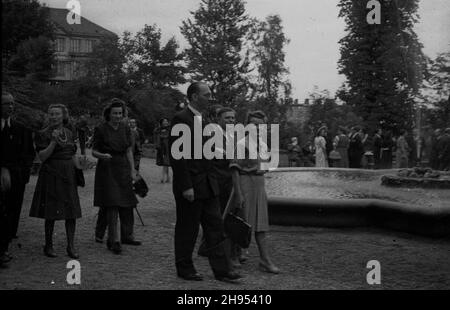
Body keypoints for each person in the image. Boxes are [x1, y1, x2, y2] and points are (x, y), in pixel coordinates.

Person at [169, 82, 241, 283]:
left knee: (215, 227)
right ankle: (184, 268)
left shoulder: (205, 119)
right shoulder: (180, 119)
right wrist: (186, 186)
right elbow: (177, 156)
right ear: (193, 97)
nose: (210, 98)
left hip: (209, 184)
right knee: (187, 228)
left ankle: (222, 270)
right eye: (206, 94)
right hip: (191, 185)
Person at [226, 110, 280, 274]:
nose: (257, 128)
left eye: (261, 126)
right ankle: (233, 256)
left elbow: (264, 167)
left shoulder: (263, 145)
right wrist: (238, 193)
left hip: (259, 184)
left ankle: (264, 260)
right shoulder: (242, 143)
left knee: (261, 224)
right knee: (242, 223)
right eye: (254, 125)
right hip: (245, 182)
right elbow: (235, 169)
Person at [29, 104, 81, 258]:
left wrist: (78, 169)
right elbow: (42, 157)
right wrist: (52, 142)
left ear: (63, 116)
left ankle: (70, 246)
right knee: (51, 210)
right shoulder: (43, 134)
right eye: (51, 114)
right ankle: (48, 245)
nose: (54, 117)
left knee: (71, 211)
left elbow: (72, 153)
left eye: (57, 114)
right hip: (51, 173)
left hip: (68, 174)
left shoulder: (70, 133)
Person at [92, 99, 141, 255]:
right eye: (115, 113)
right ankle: (114, 240)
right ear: (109, 114)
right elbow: (93, 151)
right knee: (112, 204)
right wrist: (102, 155)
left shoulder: (126, 129)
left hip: (123, 167)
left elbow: (128, 151)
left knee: (127, 202)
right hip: (107, 168)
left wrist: (133, 170)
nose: (118, 116)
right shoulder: (101, 129)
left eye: (120, 113)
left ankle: (127, 235)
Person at [1, 92, 35, 264]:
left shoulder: (21, 129)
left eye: (12, 104)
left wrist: (22, 173)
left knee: (12, 211)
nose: (10, 107)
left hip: (16, 177)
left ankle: (4, 247)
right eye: (6, 104)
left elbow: (29, 153)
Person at [155, 118, 171, 183]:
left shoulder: (170, 129)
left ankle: (163, 177)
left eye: (166, 121)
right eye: (164, 121)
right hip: (161, 148)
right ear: (161, 122)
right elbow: (156, 138)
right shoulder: (158, 130)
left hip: (168, 148)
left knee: (166, 162)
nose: (165, 122)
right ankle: (168, 177)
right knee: (166, 163)